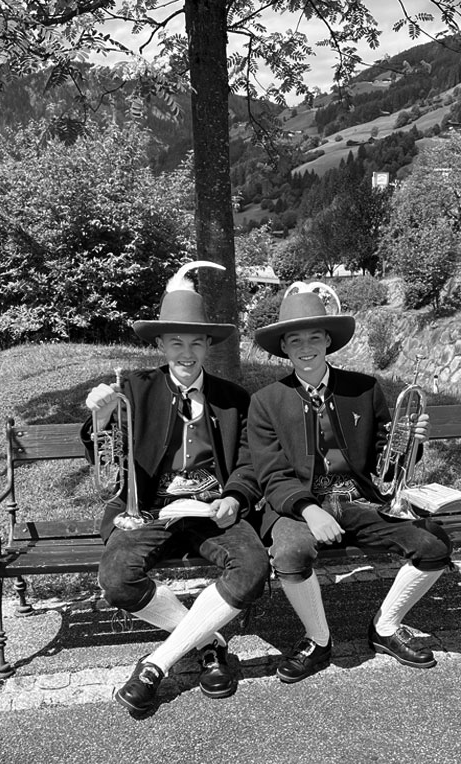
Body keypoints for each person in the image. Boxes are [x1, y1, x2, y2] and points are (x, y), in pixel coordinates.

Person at [82, 261, 269, 717]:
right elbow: (105, 455)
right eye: (176, 342)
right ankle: (209, 645)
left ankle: (156, 665)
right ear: (162, 344)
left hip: (212, 509)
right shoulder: (135, 387)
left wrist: (236, 497)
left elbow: (248, 463)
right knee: (117, 581)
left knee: (253, 568)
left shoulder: (233, 397)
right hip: (149, 510)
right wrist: (100, 417)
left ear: (208, 345)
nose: (186, 352)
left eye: (196, 342)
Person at [248, 281, 452, 683]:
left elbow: (385, 463)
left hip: (358, 500)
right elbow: (270, 474)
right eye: (295, 340)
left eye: (314, 336)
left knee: (435, 545)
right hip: (297, 504)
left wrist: (407, 443)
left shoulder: (365, 388)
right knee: (289, 552)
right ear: (284, 348)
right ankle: (318, 639)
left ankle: (386, 627)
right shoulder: (266, 401)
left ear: (328, 340)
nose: (306, 347)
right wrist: (309, 510)